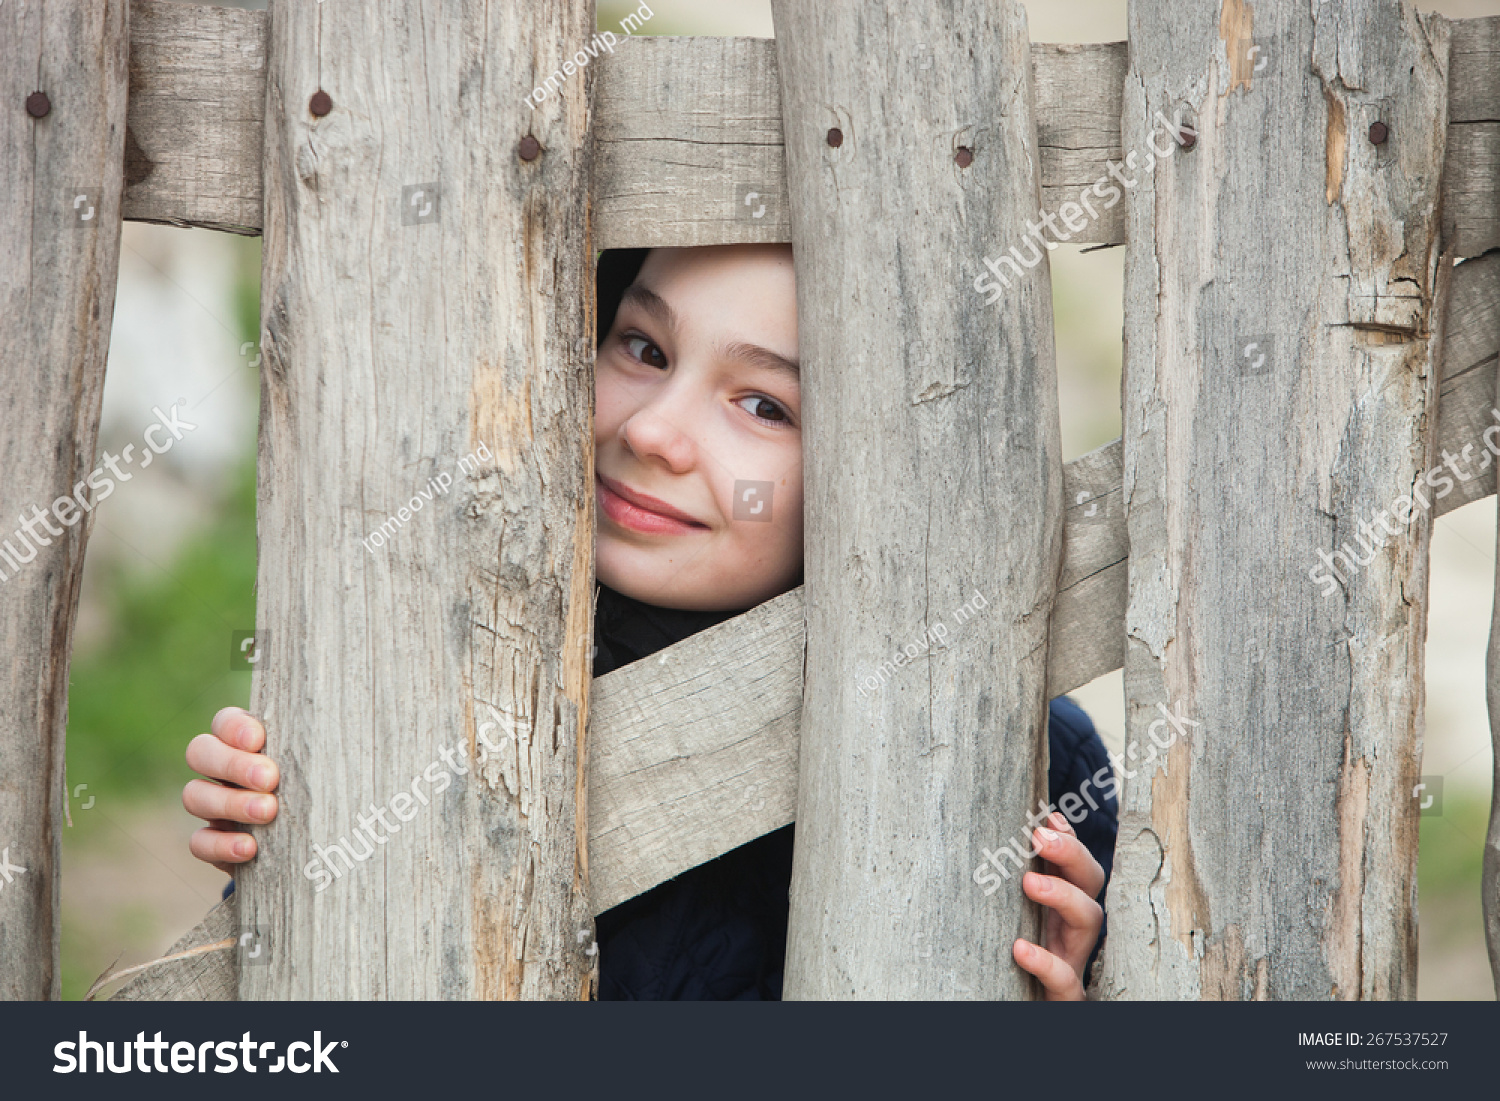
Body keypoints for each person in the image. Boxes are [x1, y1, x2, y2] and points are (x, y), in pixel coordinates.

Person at [184, 245, 1118, 1000]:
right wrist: (272, 835)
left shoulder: (1035, 762)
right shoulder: (436, 643)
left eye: (763, 405)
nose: (651, 434)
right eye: (644, 348)